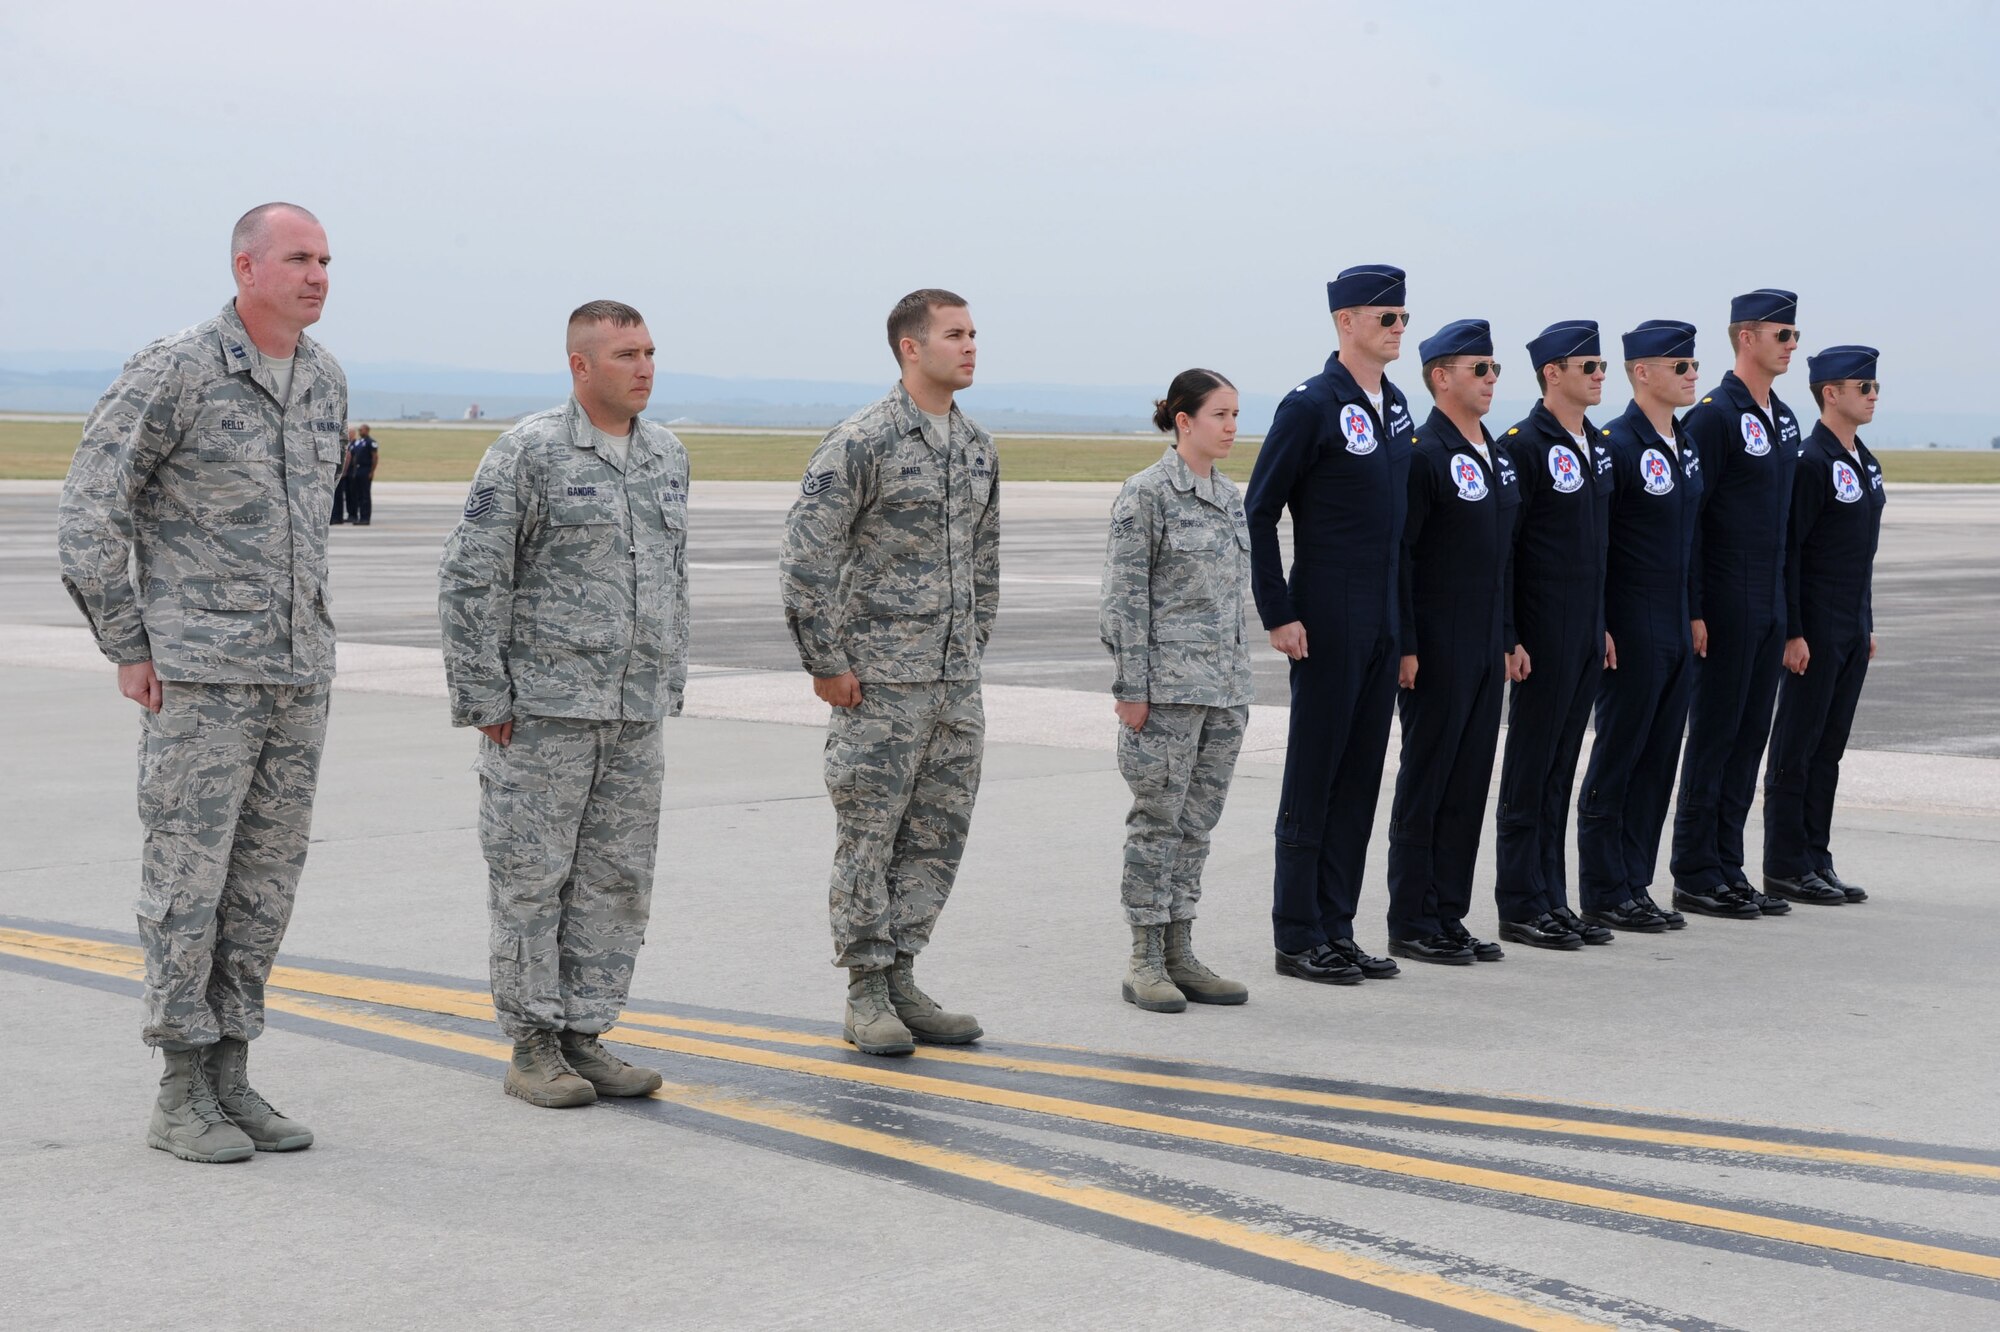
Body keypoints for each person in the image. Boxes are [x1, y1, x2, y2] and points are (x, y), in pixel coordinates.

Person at [57, 201, 343, 1163]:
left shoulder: (323, 381)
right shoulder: (176, 369)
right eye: (299, 258)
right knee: (189, 879)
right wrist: (129, 643)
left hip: (296, 675)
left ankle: (232, 1072)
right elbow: (91, 506)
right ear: (245, 266)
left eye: (326, 261)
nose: (317, 275)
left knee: (264, 882)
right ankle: (180, 1088)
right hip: (202, 677)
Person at [437, 300, 690, 1109]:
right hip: (544, 711)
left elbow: (671, 577)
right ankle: (533, 1045)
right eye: (625, 354)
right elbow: (474, 575)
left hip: (633, 710)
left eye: (649, 352)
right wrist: (483, 694)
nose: (644, 367)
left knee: (617, 879)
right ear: (581, 365)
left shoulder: (667, 456)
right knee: (531, 880)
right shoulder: (530, 452)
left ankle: (587, 1032)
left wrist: (665, 682)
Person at [779, 289, 996, 1056]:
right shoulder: (863, 441)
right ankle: (865, 989)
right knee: (869, 838)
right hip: (878, 686)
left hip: (952, 685)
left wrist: (970, 650)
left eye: (973, 334)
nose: (970, 346)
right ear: (911, 347)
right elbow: (807, 553)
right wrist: (827, 662)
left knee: (937, 836)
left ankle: (904, 973)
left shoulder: (975, 445)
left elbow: (985, 560)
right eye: (954, 335)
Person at [1244, 266, 1416, 986]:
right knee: (1314, 777)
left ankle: (1338, 927)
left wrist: (1403, 634)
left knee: (1358, 778)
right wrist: (1279, 612)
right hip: (1327, 609)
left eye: (1403, 318)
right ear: (1347, 323)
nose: (1398, 329)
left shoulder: (1396, 405)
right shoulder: (1312, 405)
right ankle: (1297, 934)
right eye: (1386, 319)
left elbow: (1401, 530)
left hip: (1380, 615)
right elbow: (1259, 508)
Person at [1099, 369, 1254, 1012]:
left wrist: (1238, 685)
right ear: (1183, 420)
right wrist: (1131, 687)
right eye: (1220, 415)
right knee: (1156, 823)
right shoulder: (1146, 495)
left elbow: (1233, 602)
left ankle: (1180, 949)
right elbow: (1124, 601)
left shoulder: (1231, 496)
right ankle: (1144, 957)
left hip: (1223, 690)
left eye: (1237, 415)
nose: (1231, 427)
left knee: (1197, 826)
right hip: (1164, 693)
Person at [1385, 320, 1520, 964]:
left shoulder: (1491, 452)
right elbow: (1402, 558)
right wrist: (1407, 644)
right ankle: (1411, 918)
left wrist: (1508, 636)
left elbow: (1502, 557)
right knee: (1429, 781)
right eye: (1481, 369)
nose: (1493, 379)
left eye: (1495, 370)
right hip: (1436, 647)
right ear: (1442, 377)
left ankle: (1449, 913)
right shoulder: (1422, 454)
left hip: (1484, 646)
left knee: (1468, 784)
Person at [1671, 289, 1806, 920]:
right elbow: (1692, 521)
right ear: (1746, 337)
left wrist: (1787, 614)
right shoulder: (1713, 417)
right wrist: (1695, 607)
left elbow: (1783, 526)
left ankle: (1728, 864)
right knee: (1715, 736)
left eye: (1795, 335)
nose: (1791, 345)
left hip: (1768, 604)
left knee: (1750, 736)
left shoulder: (1783, 419)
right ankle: (1695, 870)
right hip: (1723, 603)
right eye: (1782, 334)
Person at [1492, 322, 1617, 950]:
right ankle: (1519, 902)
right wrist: (1510, 634)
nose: (1600, 375)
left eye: (1601, 365)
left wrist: (1603, 626)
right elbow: (1507, 552)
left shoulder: (1596, 444)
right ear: (1552, 374)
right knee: (1529, 770)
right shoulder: (1522, 444)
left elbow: (1599, 550)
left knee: (1561, 770)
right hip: (1538, 635)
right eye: (1588, 366)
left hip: (1584, 634)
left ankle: (1553, 897)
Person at [1577, 322, 1705, 934]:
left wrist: (1695, 612)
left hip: (1676, 621)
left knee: (1659, 760)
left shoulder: (1684, 443)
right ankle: (1603, 888)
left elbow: (1693, 538)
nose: (1691, 375)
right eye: (1679, 367)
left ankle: (1635, 882)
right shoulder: (1615, 444)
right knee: (1620, 757)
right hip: (1629, 624)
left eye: (1693, 365)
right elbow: (1598, 547)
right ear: (1642, 373)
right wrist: (1601, 624)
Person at [1762, 346, 1886, 905]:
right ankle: (1786, 863)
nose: (1874, 394)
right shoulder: (1810, 461)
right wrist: (1793, 630)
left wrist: (1866, 623)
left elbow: (1858, 553)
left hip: (1850, 627)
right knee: (1797, 744)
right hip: (1812, 628)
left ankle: (1816, 856)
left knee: (1828, 749)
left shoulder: (1864, 460)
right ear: (1830, 393)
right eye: (1863, 387)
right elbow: (1792, 551)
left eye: (1875, 385)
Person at [344, 423, 378, 524]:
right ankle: (359, 516)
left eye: (361, 430)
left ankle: (365, 518)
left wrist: (372, 471)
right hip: (357, 471)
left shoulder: (371, 442)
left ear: (367, 430)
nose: (360, 432)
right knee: (358, 495)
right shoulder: (359, 442)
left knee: (365, 496)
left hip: (365, 470)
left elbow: (375, 458)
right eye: (359, 430)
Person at [331, 425, 358, 523]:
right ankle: (339, 516)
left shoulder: (347, 445)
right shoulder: (347, 444)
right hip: (345, 474)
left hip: (345, 475)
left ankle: (338, 517)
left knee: (340, 497)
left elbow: (347, 459)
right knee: (340, 497)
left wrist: (342, 473)